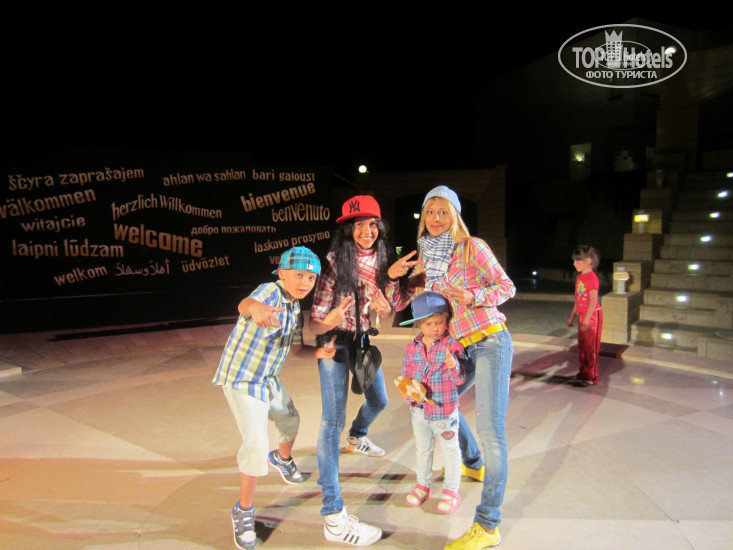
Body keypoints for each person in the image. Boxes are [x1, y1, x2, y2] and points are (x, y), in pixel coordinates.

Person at [388, 185, 515, 549]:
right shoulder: (424, 262)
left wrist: (474, 296)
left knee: (491, 431)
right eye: (430, 212)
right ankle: (472, 462)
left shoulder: (471, 247)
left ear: (455, 216)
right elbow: (403, 304)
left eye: (444, 211)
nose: (436, 218)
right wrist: (394, 276)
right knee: (438, 402)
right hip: (456, 350)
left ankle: (488, 525)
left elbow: (506, 286)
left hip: (489, 342)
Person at [212, 246, 347, 550]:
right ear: (282, 274)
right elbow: (245, 304)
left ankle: (281, 458)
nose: (304, 283)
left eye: (310, 278)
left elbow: (297, 350)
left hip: (268, 378)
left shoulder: (295, 309)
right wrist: (256, 308)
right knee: (256, 444)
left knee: (290, 419)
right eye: (298, 275)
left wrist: (320, 351)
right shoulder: (270, 292)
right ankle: (243, 510)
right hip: (243, 378)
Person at [309, 195, 398, 547]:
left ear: (379, 228)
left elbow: (388, 314)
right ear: (347, 231)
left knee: (380, 401)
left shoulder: (384, 262)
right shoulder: (334, 263)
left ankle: (357, 436)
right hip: (334, 345)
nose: (366, 231)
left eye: (371, 224)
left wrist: (385, 309)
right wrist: (327, 321)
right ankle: (333, 516)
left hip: (362, 343)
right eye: (358, 225)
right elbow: (315, 323)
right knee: (331, 422)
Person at [399, 291, 466, 514]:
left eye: (439, 322)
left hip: (443, 410)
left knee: (450, 449)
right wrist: (406, 391)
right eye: (428, 323)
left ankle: (451, 491)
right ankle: (423, 485)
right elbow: (406, 374)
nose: (435, 328)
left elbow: (460, 379)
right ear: (419, 324)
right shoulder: (412, 346)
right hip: (418, 411)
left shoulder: (452, 345)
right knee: (422, 449)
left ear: (446, 320)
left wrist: (454, 365)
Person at [567, 245, 603, 387]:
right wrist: (572, 316)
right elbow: (578, 299)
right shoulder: (580, 277)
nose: (574, 263)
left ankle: (591, 376)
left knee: (590, 347)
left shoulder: (592, 278)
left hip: (592, 316)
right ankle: (583, 372)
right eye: (574, 260)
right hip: (583, 315)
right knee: (582, 345)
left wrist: (587, 320)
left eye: (577, 260)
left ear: (588, 261)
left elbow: (593, 301)